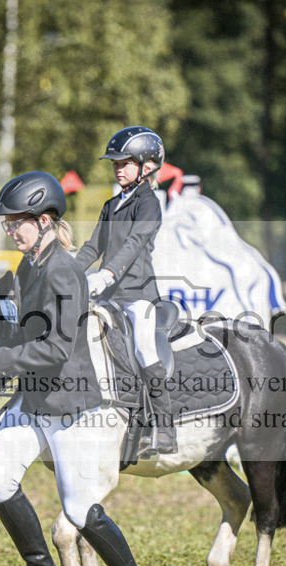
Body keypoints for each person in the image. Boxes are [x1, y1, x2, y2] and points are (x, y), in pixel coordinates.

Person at [0, 171, 163, 566]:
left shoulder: (64, 270)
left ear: (45, 218)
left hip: (70, 404)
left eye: (18, 223)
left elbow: (54, 349)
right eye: (8, 224)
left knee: (80, 511)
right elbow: (27, 332)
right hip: (32, 401)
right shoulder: (30, 265)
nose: (11, 230)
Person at [75, 126, 177, 455]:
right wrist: (68, 272)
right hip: (107, 295)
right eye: (116, 164)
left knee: (145, 349)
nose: (118, 168)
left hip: (138, 295)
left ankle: (165, 428)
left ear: (147, 166)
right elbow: (93, 246)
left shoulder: (149, 205)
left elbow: (134, 245)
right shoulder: (110, 205)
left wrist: (106, 273)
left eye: (125, 163)